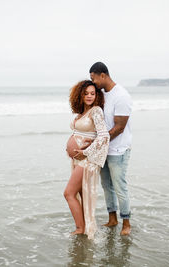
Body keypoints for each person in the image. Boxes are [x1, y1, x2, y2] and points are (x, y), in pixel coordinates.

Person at [89, 62, 133, 235]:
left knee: (119, 186)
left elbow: (120, 126)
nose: (94, 83)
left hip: (119, 150)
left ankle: (126, 223)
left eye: (94, 79)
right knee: (106, 186)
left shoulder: (121, 95)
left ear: (103, 75)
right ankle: (113, 219)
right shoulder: (102, 94)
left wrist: (99, 143)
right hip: (104, 149)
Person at [64, 80, 110, 239]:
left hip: (87, 160)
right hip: (77, 159)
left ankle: (80, 228)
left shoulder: (96, 111)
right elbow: (82, 133)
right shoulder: (81, 113)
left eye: (93, 93)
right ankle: (83, 227)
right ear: (80, 95)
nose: (89, 96)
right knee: (81, 194)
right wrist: (69, 146)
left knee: (69, 193)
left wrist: (87, 152)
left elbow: (104, 135)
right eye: (86, 93)